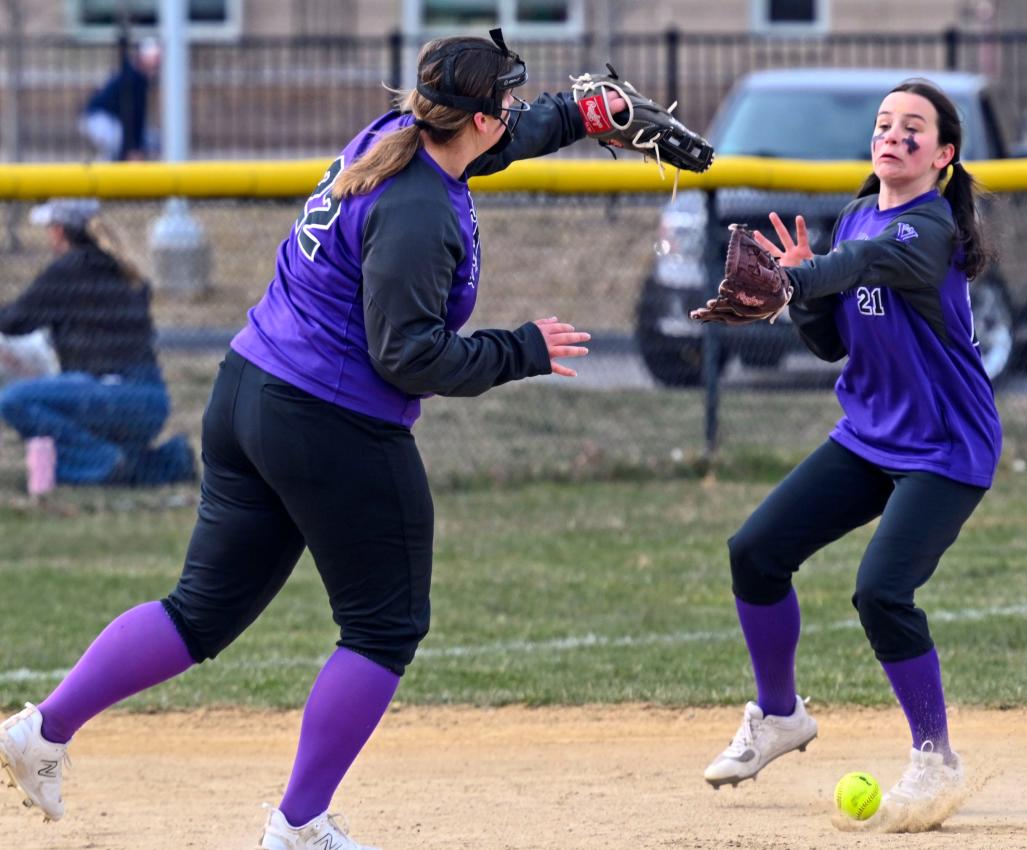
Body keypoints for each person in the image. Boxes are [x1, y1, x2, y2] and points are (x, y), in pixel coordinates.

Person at [0, 30, 617, 850]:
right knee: (384, 627)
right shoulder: (418, 213)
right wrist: (522, 350)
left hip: (249, 392)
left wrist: (578, 116)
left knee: (200, 611)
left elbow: (500, 142)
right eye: (504, 100)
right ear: (472, 118)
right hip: (328, 422)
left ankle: (42, 730)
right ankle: (296, 824)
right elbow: (409, 357)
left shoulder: (391, 135)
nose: (513, 111)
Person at [699, 79, 1002, 832]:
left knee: (881, 593)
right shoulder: (859, 213)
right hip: (869, 435)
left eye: (914, 128)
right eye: (884, 124)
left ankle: (935, 760)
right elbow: (833, 342)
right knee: (755, 553)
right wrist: (802, 294)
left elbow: (865, 263)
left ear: (944, 154)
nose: (894, 135)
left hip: (944, 444)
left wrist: (791, 280)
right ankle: (779, 715)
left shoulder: (929, 228)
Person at [0, 198, 196, 487]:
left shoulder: (70, 269)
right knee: (119, 456)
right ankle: (169, 461)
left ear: (59, 231)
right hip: (149, 403)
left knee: (13, 401)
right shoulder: (120, 268)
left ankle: (100, 465)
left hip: (112, 397)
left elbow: (14, 321)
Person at [79, 37, 160, 162]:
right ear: (143, 58)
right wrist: (134, 148)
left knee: (154, 141)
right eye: (153, 58)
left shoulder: (137, 77)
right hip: (96, 117)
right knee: (118, 139)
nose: (156, 64)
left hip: (111, 120)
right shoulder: (133, 78)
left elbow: (135, 119)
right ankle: (102, 175)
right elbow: (133, 116)